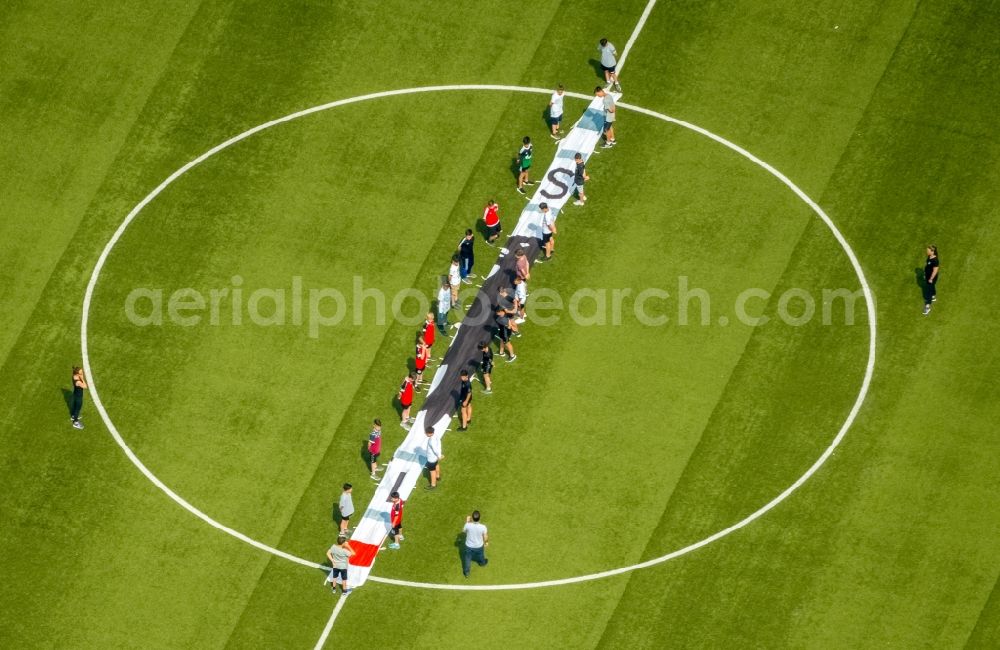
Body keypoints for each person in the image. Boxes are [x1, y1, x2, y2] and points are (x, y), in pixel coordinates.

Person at [461, 511, 489, 577]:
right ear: (479, 518)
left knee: (467, 559)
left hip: (469, 546)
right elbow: (485, 536)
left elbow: (463, 531)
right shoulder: (483, 527)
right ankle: (482, 563)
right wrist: (486, 542)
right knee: (481, 555)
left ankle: (467, 573)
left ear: (472, 518)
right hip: (479, 546)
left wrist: (467, 522)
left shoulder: (467, 525)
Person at [923, 245, 940, 315]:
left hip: (932, 277)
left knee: (928, 291)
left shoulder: (935, 260)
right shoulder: (929, 256)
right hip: (928, 276)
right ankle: (933, 296)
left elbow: (935, 271)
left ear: (932, 252)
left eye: (928, 250)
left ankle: (928, 306)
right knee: (931, 287)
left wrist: (931, 279)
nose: (927, 251)